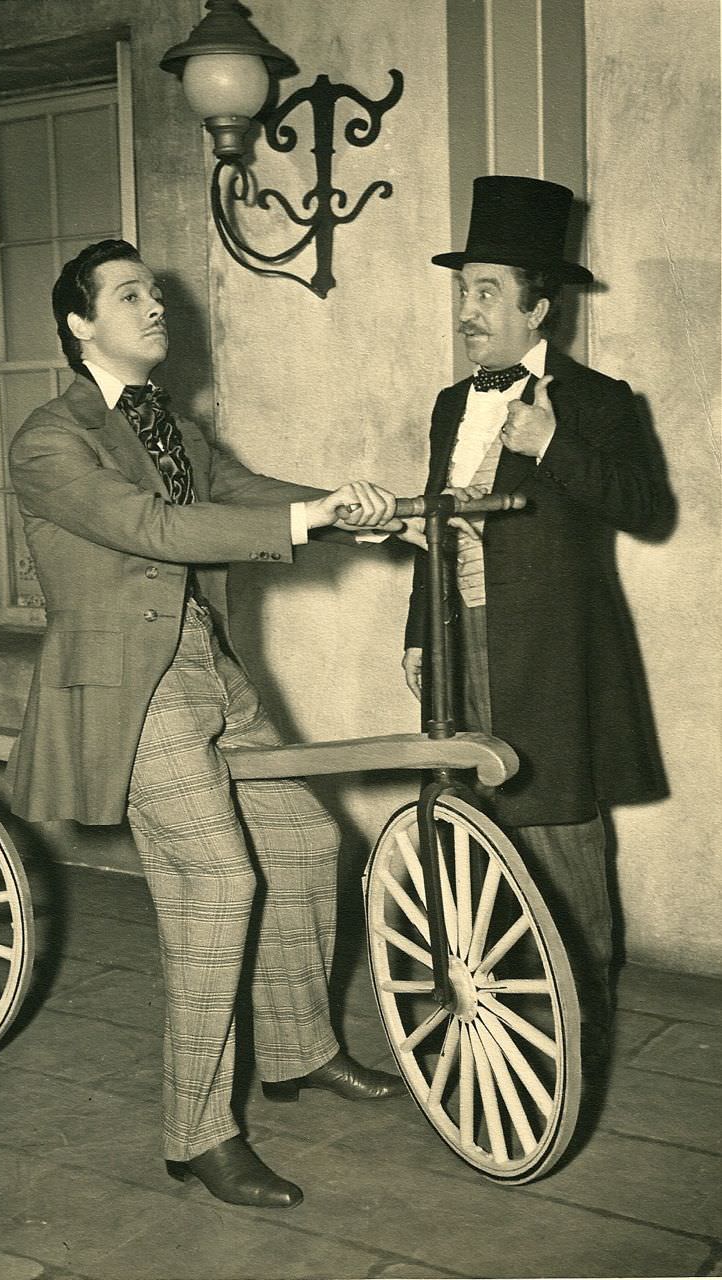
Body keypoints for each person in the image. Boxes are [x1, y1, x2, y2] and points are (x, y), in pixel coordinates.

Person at [7, 238, 406, 1211]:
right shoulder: (49, 439)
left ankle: (298, 1049)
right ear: (78, 324)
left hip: (207, 664)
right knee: (216, 882)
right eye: (129, 295)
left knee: (306, 841)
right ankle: (198, 1134)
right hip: (128, 686)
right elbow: (152, 527)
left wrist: (352, 509)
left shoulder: (170, 425)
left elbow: (239, 493)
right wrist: (310, 521)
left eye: (155, 292)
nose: (155, 306)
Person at [403, 176, 668, 1067]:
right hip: (460, 651)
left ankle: (579, 1042)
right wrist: (418, 631)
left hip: (553, 661)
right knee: (465, 836)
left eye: (487, 292)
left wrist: (551, 445)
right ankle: (483, 1027)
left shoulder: (598, 400)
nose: (466, 311)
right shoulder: (450, 405)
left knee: (560, 839)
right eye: (462, 290)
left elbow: (645, 508)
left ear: (538, 308)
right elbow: (433, 526)